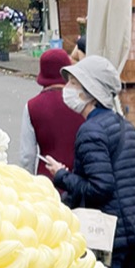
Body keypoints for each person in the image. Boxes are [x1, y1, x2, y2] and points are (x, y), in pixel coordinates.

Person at [43, 56, 135, 268]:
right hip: (132, 231)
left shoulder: (91, 131)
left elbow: (100, 188)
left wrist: (61, 176)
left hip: (108, 234)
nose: (66, 88)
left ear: (89, 92)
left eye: (72, 83)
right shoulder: (124, 126)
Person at [20, 48, 85, 186]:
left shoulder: (32, 106)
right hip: (81, 181)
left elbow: (27, 156)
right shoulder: (82, 103)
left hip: (47, 183)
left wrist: (27, 186)